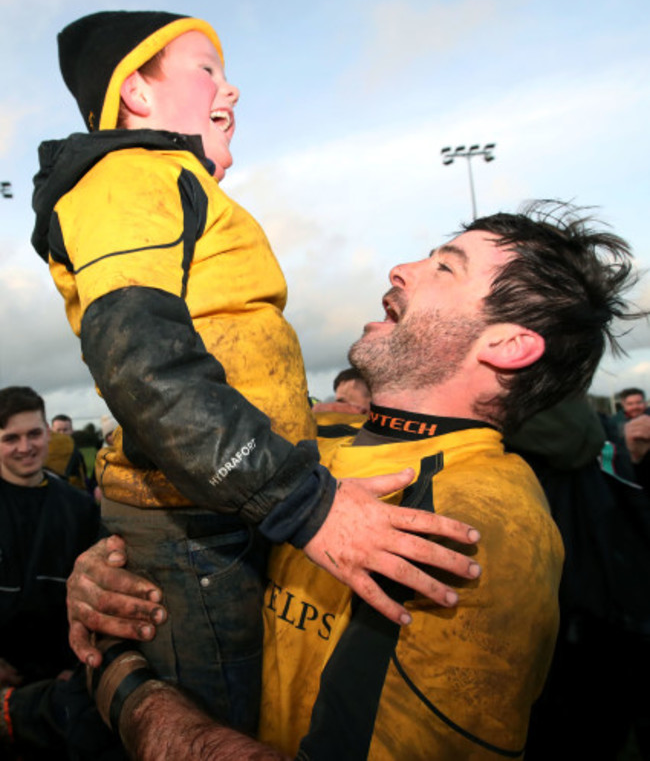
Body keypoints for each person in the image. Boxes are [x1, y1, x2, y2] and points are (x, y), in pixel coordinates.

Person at [31, 10, 479, 732]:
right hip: (193, 528)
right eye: (206, 69)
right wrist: (311, 506)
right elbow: (143, 361)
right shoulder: (127, 175)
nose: (231, 90)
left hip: (216, 511)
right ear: (136, 96)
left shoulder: (173, 183)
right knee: (213, 728)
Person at [69, 201, 639, 759]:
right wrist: (110, 578)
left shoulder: (483, 523)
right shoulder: (307, 450)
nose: (401, 268)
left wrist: (128, 691)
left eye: (445, 266)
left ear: (507, 346)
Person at [0, 387, 99, 759]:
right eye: (11, 438)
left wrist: (77, 670)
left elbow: (94, 599)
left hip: (59, 689)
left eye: (33, 434)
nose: (25, 447)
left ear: (47, 431)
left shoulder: (80, 509)